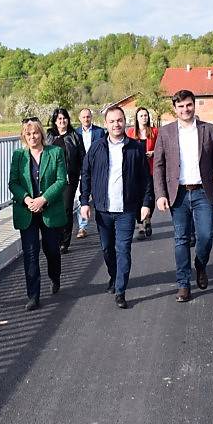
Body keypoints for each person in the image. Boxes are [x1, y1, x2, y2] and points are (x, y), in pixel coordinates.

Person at [152, 89, 213, 303]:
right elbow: (158, 166)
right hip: (178, 194)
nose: (185, 109)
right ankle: (183, 284)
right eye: (181, 106)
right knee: (181, 239)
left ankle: (200, 264)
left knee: (206, 235)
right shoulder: (165, 132)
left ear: (194, 105)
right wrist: (160, 194)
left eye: (189, 105)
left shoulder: (208, 130)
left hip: (203, 191)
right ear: (175, 109)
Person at [80, 106, 154, 308]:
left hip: (127, 209)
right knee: (106, 249)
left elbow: (146, 180)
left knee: (123, 249)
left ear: (125, 121)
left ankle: (121, 290)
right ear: (106, 124)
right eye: (112, 121)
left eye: (119, 120)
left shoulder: (135, 148)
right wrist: (84, 201)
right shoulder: (97, 147)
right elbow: (85, 174)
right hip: (103, 209)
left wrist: (146, 203)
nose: (116, 124)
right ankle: (114, 276)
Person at [9, 118, 68, 311]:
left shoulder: (55, 152)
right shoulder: (19, 155)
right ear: (23, 136)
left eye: (35, 133)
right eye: (28, 134)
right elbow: (13, 183)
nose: (32, 137)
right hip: (27, 211)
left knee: (51, 250)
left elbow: (61, 180)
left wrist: (44, 199)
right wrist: (27, 199)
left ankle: (55, 276)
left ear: (41, 134)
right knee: (31, 254)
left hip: (49, 210)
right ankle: (33, 295)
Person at [45, 108, 84, 253]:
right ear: (55, 121)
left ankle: (64, 241)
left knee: (66, 208)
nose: (62, 121)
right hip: (51, 179)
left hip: (69, 178)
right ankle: (55, 236)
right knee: (53, 207)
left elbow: (82, 157)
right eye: (59, 119)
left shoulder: (75, 136)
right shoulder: (49, 137)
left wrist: (83, 175)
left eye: (64, 118)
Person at [126, 106, 159, 239]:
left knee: (151, 195)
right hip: (136, 170)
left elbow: (162, 148)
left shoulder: (155, 131)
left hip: (151, 168)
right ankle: (140, 224)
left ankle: (148, 217)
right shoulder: (131, 132)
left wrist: (154, 153)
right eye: (141, 116)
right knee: (136, 197)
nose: (144, 118)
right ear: (137, 118)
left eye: (146, 115)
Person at [74, 108, 106, 238]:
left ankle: (103, 225)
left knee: (99, 197)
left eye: (88, 117)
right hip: (82, 169)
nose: (86, 119)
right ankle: (82, 227)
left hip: (97, 168)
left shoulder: (99, 132)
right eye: (83, 117)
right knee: (81, 197)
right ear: (79, 118)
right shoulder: (76, 133)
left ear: (91, 117)